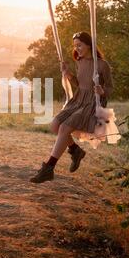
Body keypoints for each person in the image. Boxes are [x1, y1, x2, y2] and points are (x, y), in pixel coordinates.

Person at [30, 31, 114, 183]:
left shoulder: (101, 65)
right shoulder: (80, 61)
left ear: (89, 45)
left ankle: (49, 168)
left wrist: (102, 91)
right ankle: (75, 151)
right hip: (78, 100)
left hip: (92, 103)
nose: (77, 49)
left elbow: (110, 88)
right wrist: (68, 74)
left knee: (64, 128)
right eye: (75, 46)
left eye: (80, 45)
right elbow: (80, 84)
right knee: (55, 125)